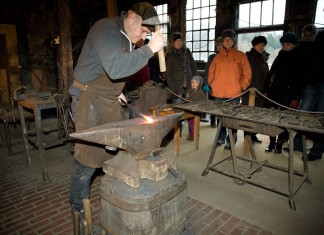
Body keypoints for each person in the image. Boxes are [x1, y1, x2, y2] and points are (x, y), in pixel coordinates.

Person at [68, 1, 165, 229]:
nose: (143, 37)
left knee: (117, 152)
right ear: (131, 17)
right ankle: (79, 214)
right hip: (88, 101)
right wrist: (151, 48)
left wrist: (117, 92)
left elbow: (110, 73)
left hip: (108, 99)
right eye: (143, 30)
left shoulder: (126, 36)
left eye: (147, 35)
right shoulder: (106, 30)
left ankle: (114, 203)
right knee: (87, 162)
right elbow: (115, 68)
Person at [208, 29, 251, 149]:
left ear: (233, 41)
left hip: (234, 93)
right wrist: (212, 84)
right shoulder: (217, 57)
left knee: (232, 119)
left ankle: (230, 140)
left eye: (229, 39)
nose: (227, 41)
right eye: (225, 39)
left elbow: (247, 73)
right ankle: (220, 137)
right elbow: (211, 72)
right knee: (220, 117)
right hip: (219, 93)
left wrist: (241, 86)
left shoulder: (241, 55)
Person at [263, 32, 304, 153]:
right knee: (272, 118)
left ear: (294, 45)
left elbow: (300, 80)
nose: (285, 47)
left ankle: (280, 143)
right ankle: (271, 143)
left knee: (284, 119)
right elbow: (271, 73)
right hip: (275, 92)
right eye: (283, 45)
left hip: (289, 93)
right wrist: (266, 89)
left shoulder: (299, 57)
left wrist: (296, 97)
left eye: (288, 44)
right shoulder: (280, 55)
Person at [242, 36, 270, 143]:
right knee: (248, 115)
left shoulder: (264, 58)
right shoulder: (247, 57)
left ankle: (253, 135)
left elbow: (266, 74)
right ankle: (247, 137)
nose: (260, 47)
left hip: (261, 91)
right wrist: (246, 87)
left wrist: (266, 89)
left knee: (258, 115)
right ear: (254, 46)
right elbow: (244, 73)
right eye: (258, 45)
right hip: (249, 91)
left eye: (262, 45)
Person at [165, 32, 198, 104]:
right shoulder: (170, 56)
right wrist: (173, 89)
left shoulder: (187, 52)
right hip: (177, 87)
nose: (179, 43)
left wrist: (197, 81)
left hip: (190, 85)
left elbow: (193, 67)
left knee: (191, 107)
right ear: (172, 43)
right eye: (177, 41)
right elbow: (168, 74)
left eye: (180, 41)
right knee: (178, 108)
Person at [203, 37, 223, 129]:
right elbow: (207, 72)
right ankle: (212, 120)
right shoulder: (212, 57)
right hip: (212, 84)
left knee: (221, 107)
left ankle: (220, 124)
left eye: (221, 45)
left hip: (223, 85)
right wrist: (207, 86)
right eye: (217, 45)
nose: (219, 47)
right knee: (212, 103)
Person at [185, 75, 206, 141]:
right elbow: (186, 99)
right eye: (192, 82)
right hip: (189, 110)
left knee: (193, 124)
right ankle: (194, 134)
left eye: (196, 83)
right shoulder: (189, 91)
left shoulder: (200, 93)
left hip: (196, 111)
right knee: (191, 123)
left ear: (199, 84)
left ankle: (193, 136)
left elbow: (203, 102)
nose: (194, 84)